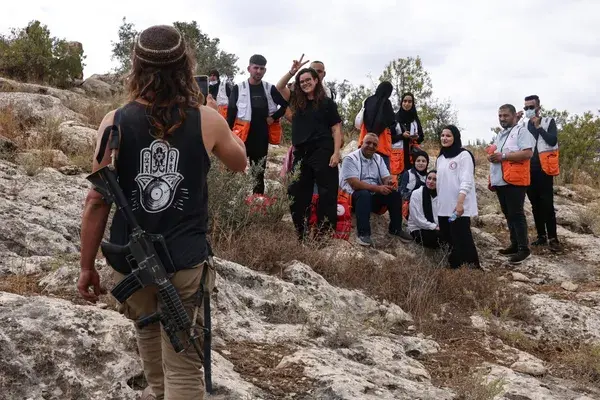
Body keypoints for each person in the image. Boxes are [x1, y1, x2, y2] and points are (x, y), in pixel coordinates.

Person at [76, 25, 247, 400]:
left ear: (136, 67)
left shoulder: (114, 121)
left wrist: (86, 266)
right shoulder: (206, 119)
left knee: (148, 336)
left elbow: (97, 200)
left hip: (131, 260)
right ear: (186, 67)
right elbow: (240, 162)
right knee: (183, 367)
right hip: (185, 261)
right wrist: (216, 118)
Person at [275, 54, 342, 240]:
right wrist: (292, 72)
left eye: (308, 80)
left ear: (316, 80)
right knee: (296, 191)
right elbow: (279, 87)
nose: (305, 83)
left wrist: (336, 152)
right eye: (302, 81)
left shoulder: (327, 103)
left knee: (327, 193)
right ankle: (301, 233)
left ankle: (322, 235)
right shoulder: (296, 101)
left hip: (323, 151)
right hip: (301, 153)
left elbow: (336, 128)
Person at [227, 54, 288, 194]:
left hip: (261, 138)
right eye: (256, 68)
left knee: (258, 172)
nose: (258, 71)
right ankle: (227, 198)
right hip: (241, 138)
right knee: (232, 169)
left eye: (261, 68)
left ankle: (258, 201)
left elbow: (285, 105)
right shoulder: (238, 88)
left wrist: (274, 117)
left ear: (265, 70)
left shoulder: (269, 88)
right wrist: (227, 136)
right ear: (249, 68)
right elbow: (231, 114)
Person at [340, 132, 413, 246]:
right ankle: (363, 234)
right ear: (361, 143)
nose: (371, 146)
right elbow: (354, 184)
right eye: (368, 143)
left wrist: (388, 182)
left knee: (394, 194)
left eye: (374, 144)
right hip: (353, 199)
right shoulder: (350, 159)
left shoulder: (378, 158)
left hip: (372, 197)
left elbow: (385, 177)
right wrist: (378, 188)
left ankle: (396, 229)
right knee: (363, 194)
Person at [488, 104, 536, 264]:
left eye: (506, 115)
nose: (502, 119)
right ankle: (515, 244)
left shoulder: (521, 132)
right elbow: (498, 153)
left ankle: (524, 249)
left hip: (516, 180)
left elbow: (528, 153)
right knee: (508, 213)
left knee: (516, 214)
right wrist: (492, 156)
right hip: (501, 180)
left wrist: (503, 156)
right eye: (500, 116)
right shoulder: (500, 134)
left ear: (514, 116)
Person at [436, 125, 480, 269]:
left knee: (461, 236)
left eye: (448, 136)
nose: (444, 138)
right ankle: (455, 268)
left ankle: (472, 268)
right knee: (448, 237)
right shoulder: (440, 158)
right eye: (442, 135)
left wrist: (460, 203)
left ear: (455, 138)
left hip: (457, 208)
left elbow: (466, 180)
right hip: (444, 208)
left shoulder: (463, 155)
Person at [521, 95, 561, 251]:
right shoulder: (524, 126)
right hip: (529, 171)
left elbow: (552, 141)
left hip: (545, 170)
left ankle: (553, 238)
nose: (528, 110)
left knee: (547, 204)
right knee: (535, 205)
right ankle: (541, 236)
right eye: (526, 108)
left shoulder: (548, 122)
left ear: (538, 107)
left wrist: (539, 128)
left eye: (531, 107)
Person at [357, 81, 395, 169]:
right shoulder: (386, 103)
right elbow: (391, 121)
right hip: (381, 146)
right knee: (383, 174)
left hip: (365, 143)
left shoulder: (368, 100)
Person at [408, 170, 442, 248]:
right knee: (438, 237)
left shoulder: (440, 195)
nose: (431, 181)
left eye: (435, 179)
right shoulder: (417, 193)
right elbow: (417, 219)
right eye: (429, 178)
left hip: (436, 227)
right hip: (418, 228)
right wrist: (434, 227)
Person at [393, 92, 424, 173]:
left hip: (412, 157)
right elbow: (389, 138)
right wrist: (402, 136)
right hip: (397, 159)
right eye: (405, 101)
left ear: (412, 104)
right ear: (401, 102)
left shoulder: (415, 120)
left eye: (410, 102)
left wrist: (417, 137)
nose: (407, 104)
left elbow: (421, 137)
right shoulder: (394, 119)